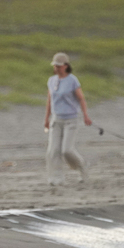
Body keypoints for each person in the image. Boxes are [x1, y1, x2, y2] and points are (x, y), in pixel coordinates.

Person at [43, 52, 93, 186]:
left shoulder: (72, 80)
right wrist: (46, 118)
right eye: (55, 66)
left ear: (66, 66)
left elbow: (81, 98)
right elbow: (49, 100)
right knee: (53, 151)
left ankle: (82, 167)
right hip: (56, 119)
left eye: (59, 66)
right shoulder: (51, 80)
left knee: (67, 150)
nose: (56, 68)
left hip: (71, 120)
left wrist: (85, 116)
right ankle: (56, 178)